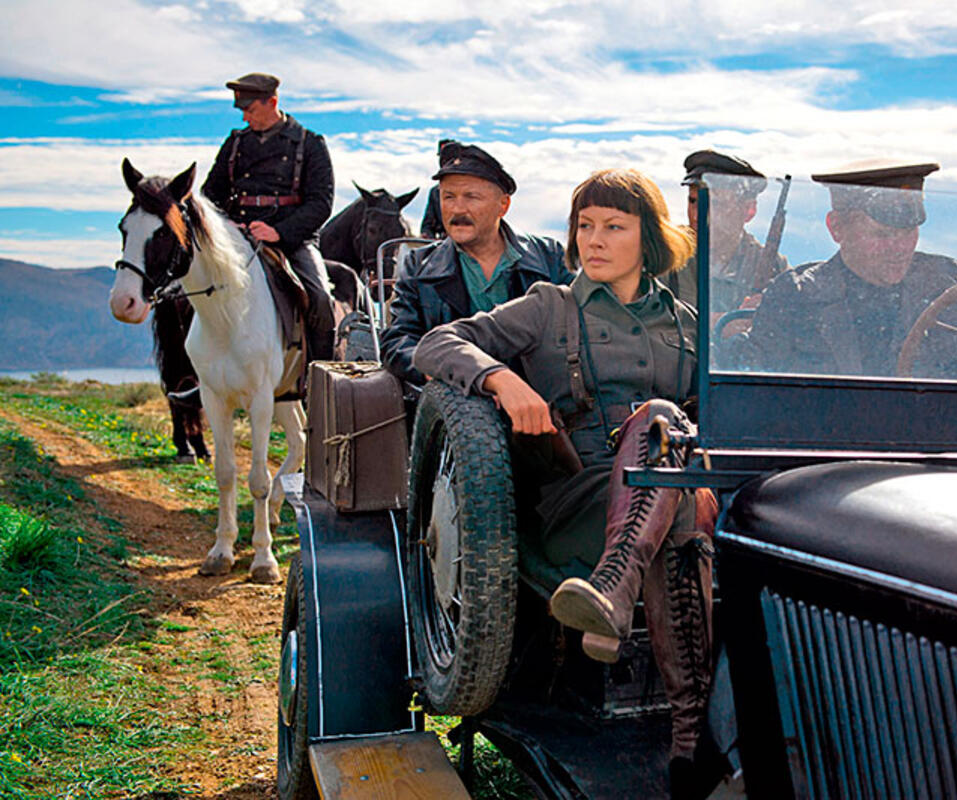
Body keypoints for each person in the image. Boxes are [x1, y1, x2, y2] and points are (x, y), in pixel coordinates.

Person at [414, 169, 721, 799]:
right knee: (663, 431)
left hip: (679, 498)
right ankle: (693, 737)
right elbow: (438, 342)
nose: (594, 240)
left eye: (614, 226)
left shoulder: (688, 323)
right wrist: (502, 379)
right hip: (574, 501)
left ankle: (615, 598)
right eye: (585, 226)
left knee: (682, 488)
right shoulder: (548, 306)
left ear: (649, 239)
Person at [741, 159, 957, 381]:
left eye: (908, 233)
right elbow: (750, 384)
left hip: (940, 460)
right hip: (831, 463)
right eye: (881, 235)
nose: (900, 248)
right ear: (836, 228)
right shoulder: (797, 294)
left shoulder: (949, 282)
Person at [380, 140, 569, 386]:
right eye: (448, 197)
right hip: (454, 408)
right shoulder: (418, 266)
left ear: (503, 205)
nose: (457, 209)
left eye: (471, 197)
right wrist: (451, 371)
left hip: (548, 404)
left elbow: (587, 327)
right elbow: (397, 342)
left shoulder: (548, 256)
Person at [200, 72, 337, 362]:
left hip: (292, 240)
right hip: (237, 237)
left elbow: (321, 203)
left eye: (250, 110)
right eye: (242, 111)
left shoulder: (310, 143)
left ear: (272, 102)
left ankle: (321, 373)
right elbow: (209, 195)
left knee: (321, 300)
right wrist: (226, 225)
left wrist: (279, 233)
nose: (245, 119)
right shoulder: (235, 143)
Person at [669, 149, 787, 316]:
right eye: (693, 201)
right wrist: (721, 324)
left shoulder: (773, 266)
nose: (697, 215)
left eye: (715, 204)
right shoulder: (666, 252)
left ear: (748, 210)